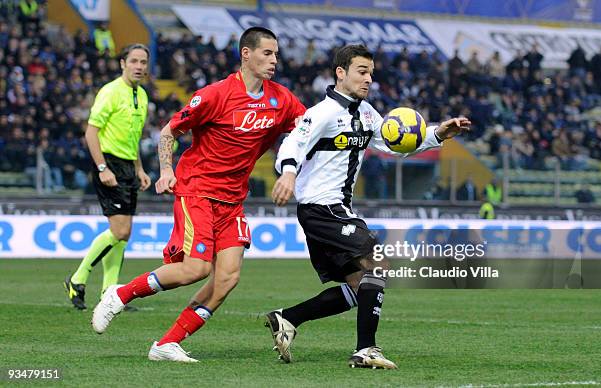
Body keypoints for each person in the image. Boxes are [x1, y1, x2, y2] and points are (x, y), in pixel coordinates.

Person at [90, 27, 306, 363]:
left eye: (276, 54)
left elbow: (307, 128)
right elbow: (169, 131)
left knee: (227, 278)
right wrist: (166, 170)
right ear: (246, 54)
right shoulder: (215, 95)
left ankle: (166, 344)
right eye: (267, 53)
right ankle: (120, 294)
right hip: (198, 192)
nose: (274, 60)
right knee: (196, 269)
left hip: (233, 200)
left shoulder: (281, 99)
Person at [264, 44, 470, 369]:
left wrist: (438, 134)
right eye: (362, 71)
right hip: (323, 208)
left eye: (371, 73)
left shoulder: (368, 114)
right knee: (378, 265)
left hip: (330, 212)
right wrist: (288, 173)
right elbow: (294, 142)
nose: (368, 79)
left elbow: (393, 144)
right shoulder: (323, 113)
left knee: (359, 286)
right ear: (341, 73)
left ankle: (288, 318)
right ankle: (366, 350)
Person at [64, 44, 151, 310]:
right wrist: (103, 168)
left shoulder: (143, 95)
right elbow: (91, 133)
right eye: (134, 61)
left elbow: (133, 137)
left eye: (143, 62)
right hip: (109, 163)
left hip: (127, 166)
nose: (139, 66)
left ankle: (109, 293)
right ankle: (77, 279)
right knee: (120, 230)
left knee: (124, 235)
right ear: (122, 63)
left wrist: (139, 168)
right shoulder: (111, 92)